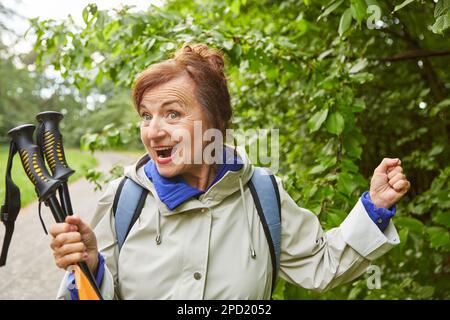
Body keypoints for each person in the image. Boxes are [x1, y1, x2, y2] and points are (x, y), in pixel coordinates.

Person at [51, 43, 410, 300]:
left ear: (217, 122)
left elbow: (322, 264)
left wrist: (374, 208)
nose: (153, 130)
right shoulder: (121, 200)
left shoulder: (263, 193)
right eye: (146, 115)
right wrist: (92, 267)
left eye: (172, 113)